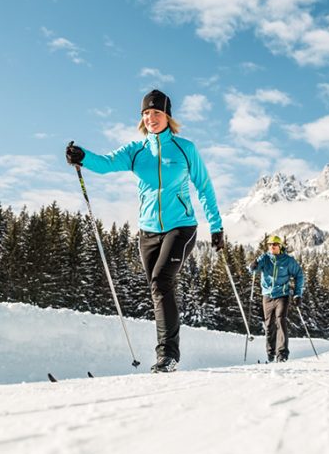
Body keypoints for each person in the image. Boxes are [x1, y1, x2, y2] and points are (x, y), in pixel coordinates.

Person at [66, 89, 224, 373]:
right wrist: (82, 156)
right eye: (146, 114)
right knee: (157, 288)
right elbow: (106, 163)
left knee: (162, 281)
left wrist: (216, 227)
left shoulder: (185, 149)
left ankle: (167, 355)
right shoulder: (136, 151)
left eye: (157, 113)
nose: (151, 118)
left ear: (168, 116)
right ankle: (166, 349)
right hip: (148, 231)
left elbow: (204, 187)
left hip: (181, 226)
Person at [248, 235, 304, 363]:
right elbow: (253, 270)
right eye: (270, 244)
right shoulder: (265, 258)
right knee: (269, 325)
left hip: (282, 295)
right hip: (267, 296)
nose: (272, 246)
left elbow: (299, 275)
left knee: (280, 320)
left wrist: (297, 294)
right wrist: (252, 266)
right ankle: (270, 353)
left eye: (275, 244)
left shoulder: (288, 261)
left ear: (280, 246)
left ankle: (282, 354)